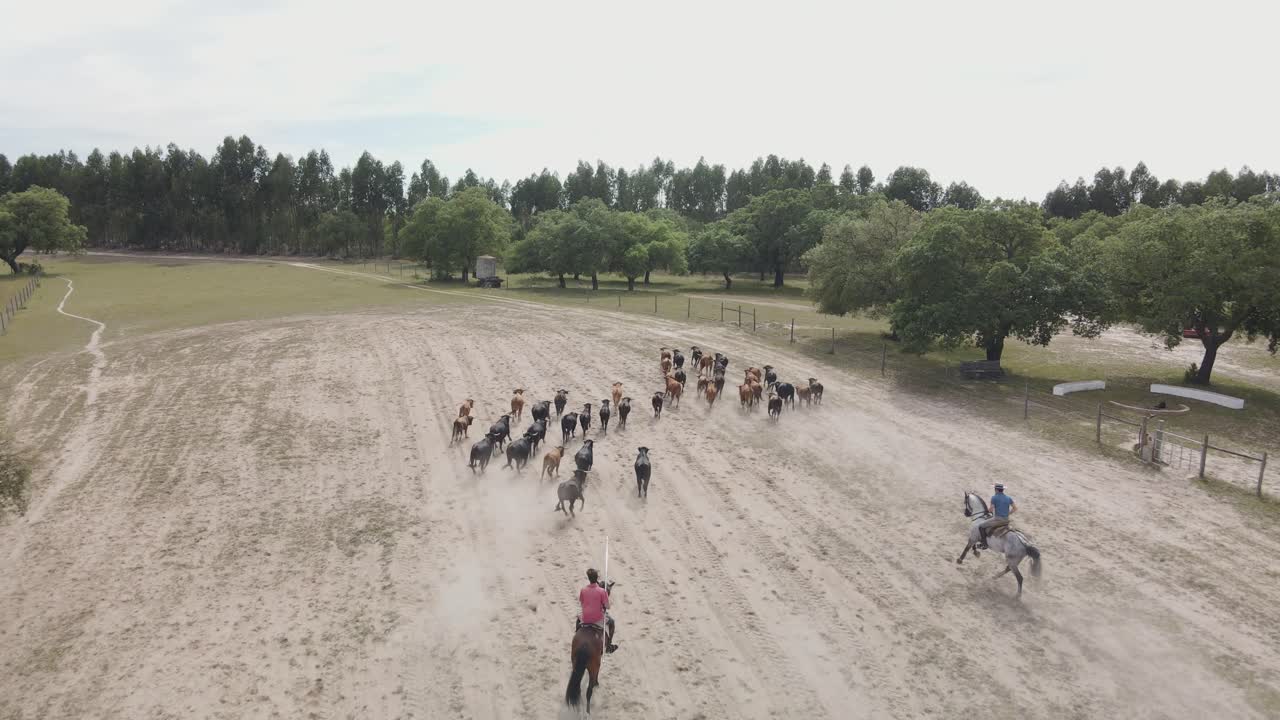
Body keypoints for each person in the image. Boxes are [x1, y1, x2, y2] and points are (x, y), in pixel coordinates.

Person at [577, 568, 617, 653]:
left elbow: (582, 602)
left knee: (578, 620)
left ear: (589, 578)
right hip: (598, 618)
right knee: (612, 622)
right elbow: (607, 606)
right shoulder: (602, 591)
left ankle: (577, 636)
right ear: (596, 578)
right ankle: (609, 646)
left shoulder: (583, 590)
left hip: (585, 617)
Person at [977, 483, 1016, 549]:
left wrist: (987, 511)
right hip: (1006, 520)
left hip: (998, 519)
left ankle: (984, 544)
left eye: (995, 489)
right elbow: (1015, 508)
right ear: (1002, 490)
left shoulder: (994, 498)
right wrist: (1008, 513)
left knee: (981, 526)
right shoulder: (1008, 498)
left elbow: (991, 509)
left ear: (997, 490)